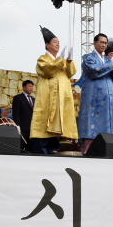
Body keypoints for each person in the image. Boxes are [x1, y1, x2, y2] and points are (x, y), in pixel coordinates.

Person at [30, 26, 77, 154]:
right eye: (55, 42)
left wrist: (69, 60)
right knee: (45, 121)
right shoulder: (43, 59)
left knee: (59, 120)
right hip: (48, 96)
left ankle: (54, 147)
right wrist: (60, 60)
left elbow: (71, 72)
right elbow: (47, 70)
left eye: (58, 42)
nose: (58, 44)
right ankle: (41, 148)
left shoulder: (61, 60)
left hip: (62, 96)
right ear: (47, 45)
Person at [77, 33, 113, 154]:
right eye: (101, 42)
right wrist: (110, 65)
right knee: (93, 122)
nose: (104, 45)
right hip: (94, 97)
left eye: (105, 43)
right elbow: (94, 70)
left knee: (109, 123)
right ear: (95, 43)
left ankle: (110, 148)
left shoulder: (107, 59)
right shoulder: (88, 57)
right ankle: (89, 149)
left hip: (109, 98)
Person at [12, 80, 35, 151]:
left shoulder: (34, 99)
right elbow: (16, 113)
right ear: (24, 87)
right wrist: (17, 125)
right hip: (22, 127)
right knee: (21, 146)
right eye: (29, 86)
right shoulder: (18, 98)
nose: (31, 88)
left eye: (32, 86)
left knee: (30, 147)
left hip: (32, 128)